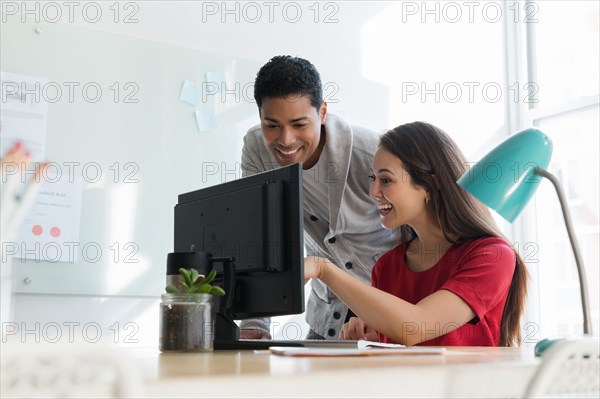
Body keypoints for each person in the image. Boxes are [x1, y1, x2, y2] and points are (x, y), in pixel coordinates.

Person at [304, 122, 529, 346]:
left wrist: (322, 268)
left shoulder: (492, 256)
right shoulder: (387, 266)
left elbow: (415, 327)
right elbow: (406, 346)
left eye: (386, 180)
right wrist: (374, 340)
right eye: (373, 178)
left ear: (431, 184)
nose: (373, 192)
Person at [240, 55, 397, 339]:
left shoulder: (370, 152)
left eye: (299, 124)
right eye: (272, 124)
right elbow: (261, 236)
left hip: (387, 307)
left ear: (322, 113)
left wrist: (397, 310)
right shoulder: (256, 149)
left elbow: (417, 233)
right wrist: (256, 323)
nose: (285, 140)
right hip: (328, 314)